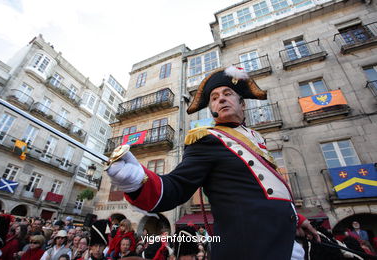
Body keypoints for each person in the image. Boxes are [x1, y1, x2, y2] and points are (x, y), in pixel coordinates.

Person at [106, 66, 319, 260]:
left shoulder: (255, 138)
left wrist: (297, 219)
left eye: (228, 94)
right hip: (249, 250)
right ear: (212, 108)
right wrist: (137, 180)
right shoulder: (206, 139)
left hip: (284, 242)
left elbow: (262, 194)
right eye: (215, 98)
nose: (221, 100)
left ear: (242, 104)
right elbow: (176, 186)